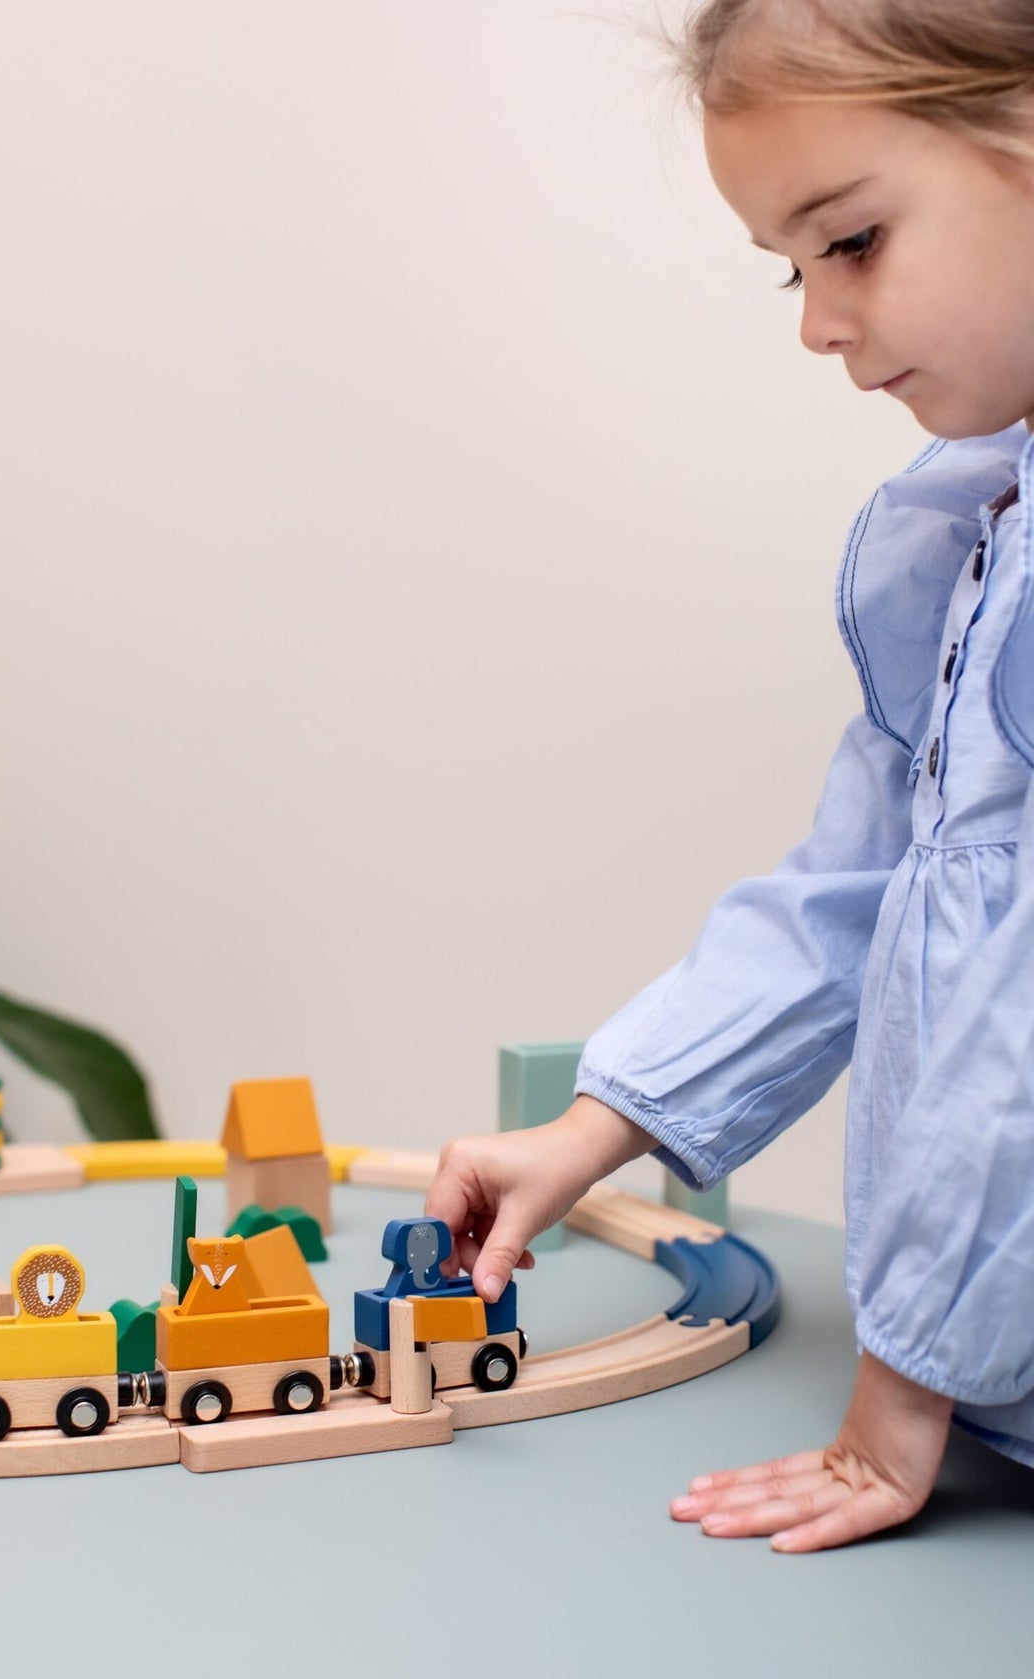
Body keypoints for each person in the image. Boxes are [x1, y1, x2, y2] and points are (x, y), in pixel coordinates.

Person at [423, 0, 1034, 1553]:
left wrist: (904, 1393)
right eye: (792, 263)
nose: (819, 324)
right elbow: (863, 885)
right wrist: (600, 1125)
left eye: (853, 240)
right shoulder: (971, 541)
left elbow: (1012, 1008)